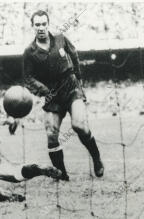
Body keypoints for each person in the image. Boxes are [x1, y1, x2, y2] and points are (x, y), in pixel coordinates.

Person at [22, 10, 104, 181]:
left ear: (48, 24)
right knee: (51, 134)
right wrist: (44, 90)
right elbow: (28, 77)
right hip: (51, 93)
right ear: (32, 26)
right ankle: (61, 175)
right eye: (37, 24)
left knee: (79, 125)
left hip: (71, 86)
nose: (41, 28)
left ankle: (96, 158)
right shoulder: (29, 52)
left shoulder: (61, 39)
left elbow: (74, 56)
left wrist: (79, 81)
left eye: (44, 24)